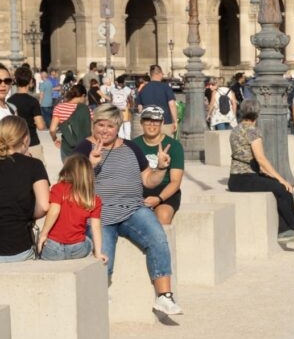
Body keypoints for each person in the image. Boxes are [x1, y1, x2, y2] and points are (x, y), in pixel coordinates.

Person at [74, 104, 183, 316]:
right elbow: (69, 182)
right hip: (99, 213)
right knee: (103, 252)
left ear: (118, 127)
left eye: (110, 126)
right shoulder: (83, 148)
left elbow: (148, 181)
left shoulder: (132, 148)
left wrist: (161, 169)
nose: (104, 130)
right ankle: (100, 293)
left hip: (134, 208)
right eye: (100, 125)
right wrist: (90, 164)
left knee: (157, 237)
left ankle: (164, 296)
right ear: (93, 125)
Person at [228, 99, 294, 242]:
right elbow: (261, 159)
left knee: (279, 188)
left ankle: (292, 229)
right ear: (257, 114)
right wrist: (282, 179)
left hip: (235, 179)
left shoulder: (236, 129)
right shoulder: (253, 131)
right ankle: (292, 229)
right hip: (245, 178)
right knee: (283, 188)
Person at [37, 154, 106, 262]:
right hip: (77, 248)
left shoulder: (58, 188)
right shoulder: (94, 199)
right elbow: (96, 227)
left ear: (66, 170)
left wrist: (43, 234)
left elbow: (54, 211)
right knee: (88, 240)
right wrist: (98, 253)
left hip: (54, 247)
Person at [0, 116, 49, 262]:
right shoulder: (34, 165)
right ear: (26, 138)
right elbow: (44, 206)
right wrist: (27, 214)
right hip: (19, 245)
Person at [132, 106, 185, 224]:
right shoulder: (133, 145)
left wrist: (159, 199)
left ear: (162, 122)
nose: (152, 124)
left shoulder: (174, 146)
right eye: (147, 120)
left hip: (165, 191)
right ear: (141, 122)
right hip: (139, 191)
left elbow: (175, 181)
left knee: (163, 215)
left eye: (156, 121)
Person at [9, 67, 47, 161]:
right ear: (30, 81)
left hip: (15, 144)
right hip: (32, 142)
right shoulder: (33, 101)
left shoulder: (10, 101)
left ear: (15, 81)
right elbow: (41, 126)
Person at [50, 83, 92, 161]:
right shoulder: (86, 109)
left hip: (67, 147)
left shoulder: (59, 107)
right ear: (83, 95)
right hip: (84, 147)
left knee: (68, 172)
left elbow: (52, 129)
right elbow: (92, 128)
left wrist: (55, 139)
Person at [137, 65, 177, 137]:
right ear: (160, 73)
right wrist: (175, 121)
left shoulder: (142, 89)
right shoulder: (166, 87)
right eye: (162, 74)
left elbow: (140, 109)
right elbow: (172, 105)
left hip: (149, 124)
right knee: (166, 145)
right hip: (165, 122)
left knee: (151, 146)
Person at [109, 75, 134, 139]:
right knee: (127, 124)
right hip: (124, 109)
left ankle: (121, 139)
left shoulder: (112, 90)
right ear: (124, 82)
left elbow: (111, 100)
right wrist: (131, 107)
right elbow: (130, 100)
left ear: (117, 82)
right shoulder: (127, 89)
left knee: (119, 125)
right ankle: (128, 139)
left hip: (116, 110)